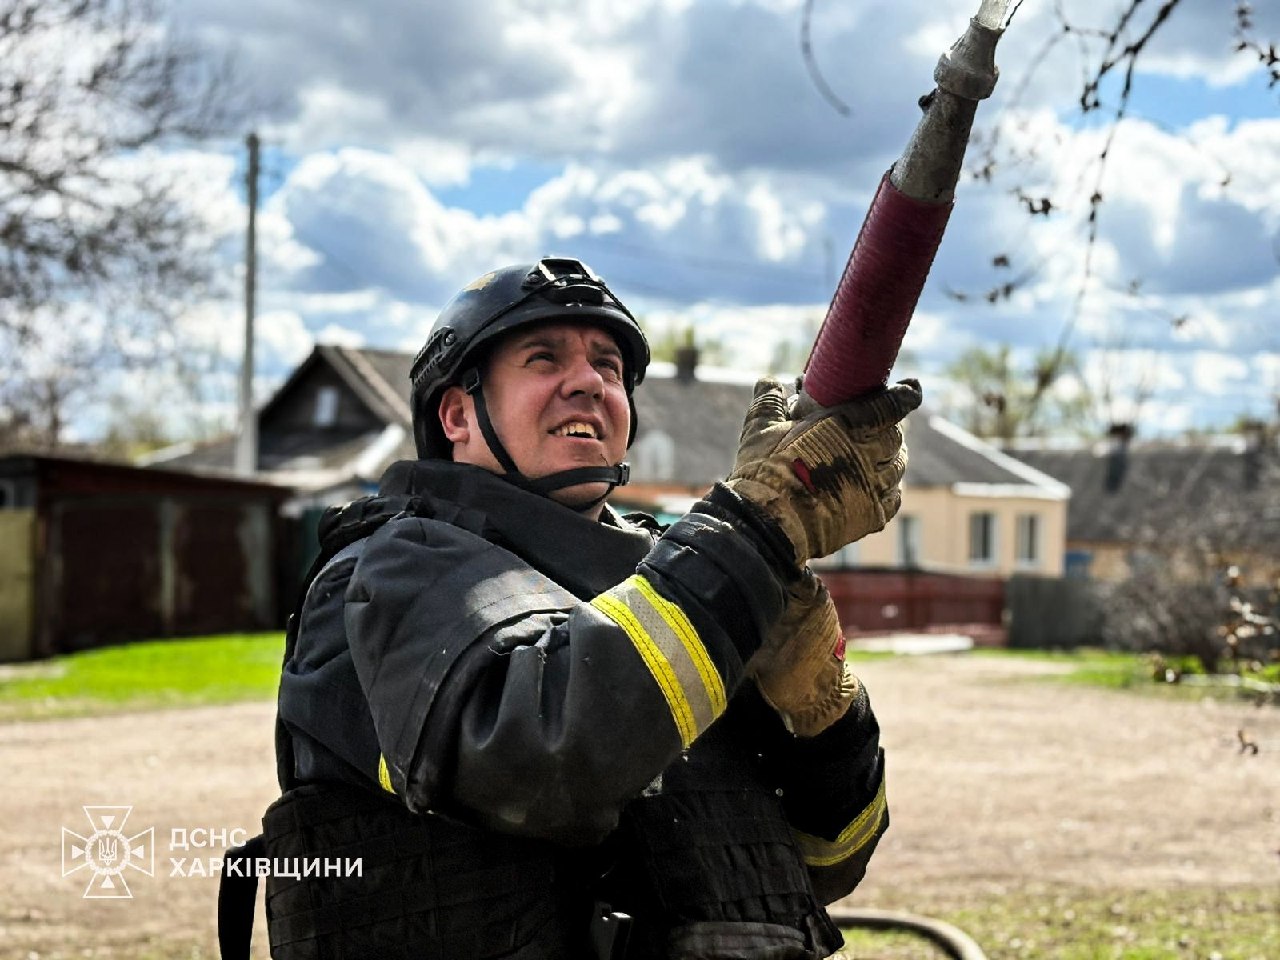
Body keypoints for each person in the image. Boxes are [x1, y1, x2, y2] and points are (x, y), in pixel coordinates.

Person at [235, 257, 920, 960]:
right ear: (457, 414)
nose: (590, 381)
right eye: (543, 357)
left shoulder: (676, 593)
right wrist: (755, 531)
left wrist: (822, 715)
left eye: (609, 366)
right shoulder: (387, 573)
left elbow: (833, 857)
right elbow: (542, 766)